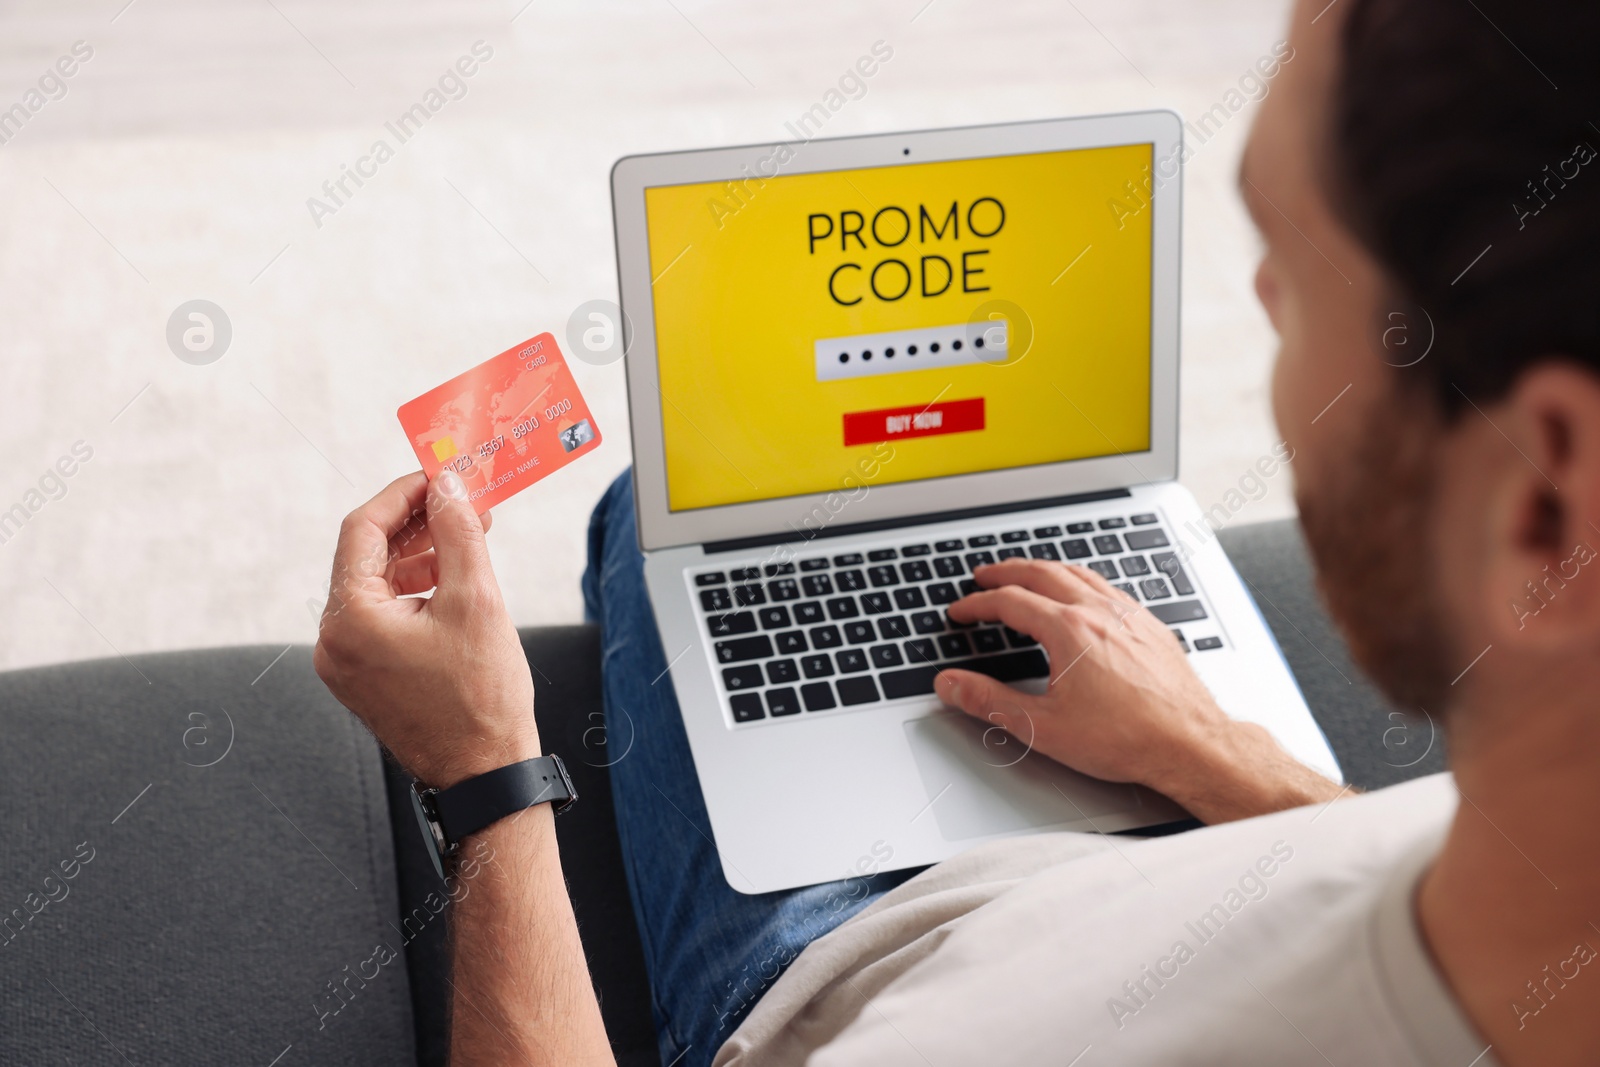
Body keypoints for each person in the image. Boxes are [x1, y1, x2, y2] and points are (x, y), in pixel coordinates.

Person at [311, 0, 1600, 1061]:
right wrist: (1223, 758)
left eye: (1298, 272)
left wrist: (484, 767)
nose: (1262, 300)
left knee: (658, 500)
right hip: (1200, 822)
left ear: (1541, 500)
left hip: (854, 963)